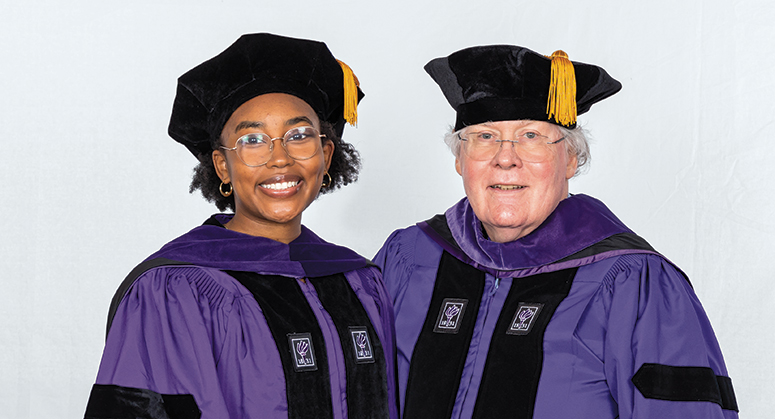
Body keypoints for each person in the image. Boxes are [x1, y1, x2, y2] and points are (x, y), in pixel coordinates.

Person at [374, 45, 738, 419]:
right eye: (484, 136)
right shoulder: (409, 257)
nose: (505, 157)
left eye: (531, 136)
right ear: (459, 159)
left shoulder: (634, 284)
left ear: (571, 158)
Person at [84, 33, 397, 419]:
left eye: (299, 135)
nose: (279, 158)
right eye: (253, 139)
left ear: (325, 153)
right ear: (221, 166)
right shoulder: (174, 290)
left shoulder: (359, 281)